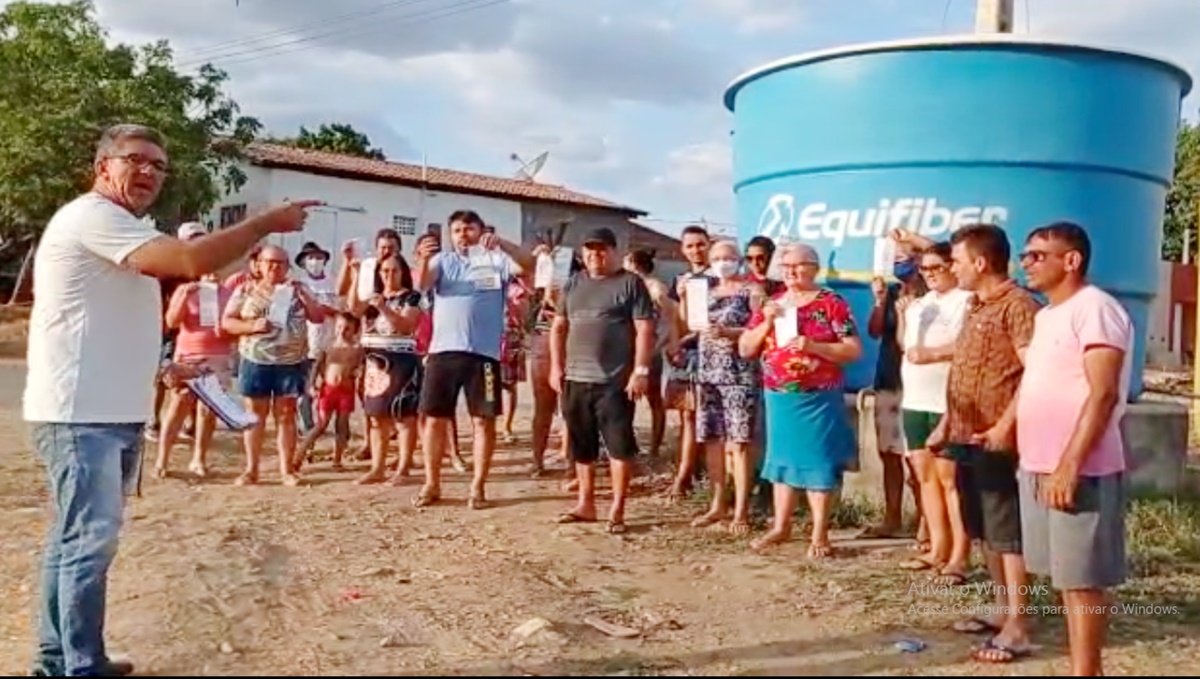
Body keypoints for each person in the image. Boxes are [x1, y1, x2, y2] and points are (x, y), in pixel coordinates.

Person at [24, 123, 316, 677]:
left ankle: (61, 659)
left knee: (73, 544)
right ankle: (76, 667)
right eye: (136, 160)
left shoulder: (123, 231)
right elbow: (190, 262)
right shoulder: (94, 216)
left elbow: (102, 325)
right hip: (81, 415)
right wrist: (264, 224)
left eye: (159, 166)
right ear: (102, 166)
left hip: (106, 410)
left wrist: (166, 367)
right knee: (86, 545)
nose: (150, 172)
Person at [1017, 222, 1132, 677]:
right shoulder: (1047, 316)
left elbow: (1102, 394)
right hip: (1039, 463)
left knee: (1083, 579)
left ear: (1071, 260)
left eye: (1037, 255)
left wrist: (1070, 465)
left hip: (1081, 467)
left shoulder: (1096, 309)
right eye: (1025, 255)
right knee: (1064, 576)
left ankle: (1087, 672)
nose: (1026, 262)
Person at [927, 223, 1040, 662]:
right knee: (987, 531)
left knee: (1007, 533)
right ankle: (1000, 608)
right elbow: (969, 370)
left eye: (955, 260)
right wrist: (945, 423)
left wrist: (1005, 427)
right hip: (967, 435)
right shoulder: (976, 305)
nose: (952, 268)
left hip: (998, 439)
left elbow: (1033, 374)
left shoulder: (1019, 307)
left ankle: (1018, 625)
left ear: (980, 262)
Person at [739, 244, 861, 558]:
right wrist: (765, 322)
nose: (791, 271)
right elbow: (745, 348)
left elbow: (852, 350)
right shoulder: (773, 303)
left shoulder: (832, 304)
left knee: (818, 463)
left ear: (814, 268)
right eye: (786, 265)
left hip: (818, 397)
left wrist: (814, 346)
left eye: (798, 265)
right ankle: (781, 526)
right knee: (782, 462)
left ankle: (820, 533)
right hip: (779, 396)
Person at [412, 209, 534, 509]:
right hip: (443, 352)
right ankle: (432, 483)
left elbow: (528, 265)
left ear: (481, 231)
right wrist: (424, 258)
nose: (463, 235)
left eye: (469, 229)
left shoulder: (493, 260)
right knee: (435, 420)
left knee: (484, 421)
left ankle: (478, 486)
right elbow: (423, 284)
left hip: (484, 355)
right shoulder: (444, 260)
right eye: (457, 230)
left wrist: (502, 243)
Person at [551, 228, 655, 534]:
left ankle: (618, 508)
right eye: (589, 250)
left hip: (614, 381)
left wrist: (641, 371)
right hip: (575, 377)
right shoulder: (574, 284)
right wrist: (556, 367)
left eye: (601, 250)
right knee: (582, 447)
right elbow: (558, 327)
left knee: (618, 447)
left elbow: (645, 330)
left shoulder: (630, 283)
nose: (595, 255)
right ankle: (586, 503)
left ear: (614, 252)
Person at [896, 242, 973, 585]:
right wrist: (901, 314)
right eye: (923, 270)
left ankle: (960, 554)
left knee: (950, 480)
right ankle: (937, 546)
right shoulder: (921, 305)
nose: (929, 275)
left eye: (936, 268)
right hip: (915, 397)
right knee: (924, 476)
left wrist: (933, 354)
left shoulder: (965, 301)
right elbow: (906, 344)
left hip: (946, 401)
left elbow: (968, 346)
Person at [222, 245, 327, 487]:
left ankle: (286, 470)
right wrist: (251, 327)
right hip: (255, 360)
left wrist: (305, 298)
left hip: (290, 362)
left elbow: (318, 317)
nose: (274, 267)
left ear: (288, 267)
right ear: (258, 264)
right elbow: (227, 322)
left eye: (281, 263)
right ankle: (251, 470)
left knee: (286, 415)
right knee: (254, 416)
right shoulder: (245, 289)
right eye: (270, 262)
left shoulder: (298, 289)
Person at [682, 241, 764, 535]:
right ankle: (718, 503)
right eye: (716, 258)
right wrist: (682, 299)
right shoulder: (707, 292)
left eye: (728, 257)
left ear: (739, 260)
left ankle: (741, 509)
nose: (722, 262)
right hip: (708, 374)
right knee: (712, 439)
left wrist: (730, 332)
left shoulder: (751, 292)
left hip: (738, 374)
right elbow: (689, 326)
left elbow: (761, 329)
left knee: (739, 443)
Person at [154, 223, 237, 479]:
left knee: (208, 410)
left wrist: (228, 330)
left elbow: (234, 325)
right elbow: (172, 322)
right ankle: (162, 459)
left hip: (218, 356)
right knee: (178, 405)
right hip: (188, 353)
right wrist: (185, 295)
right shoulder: (184, 289)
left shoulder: (229, 293)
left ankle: (199, 458)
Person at [863, 245, 927, 542]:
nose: (900, 265)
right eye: (895, 259)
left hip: (919, 383)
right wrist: (879, 301)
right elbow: (874, 331)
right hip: (888, 379)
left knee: (917, 456)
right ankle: (892, 517)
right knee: (888, 452)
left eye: (905, 259)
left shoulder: (932, 294)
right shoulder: (889, 292)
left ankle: (927, 522)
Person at [349, 253, 424, 485]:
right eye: (384, 271)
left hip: (400, 359)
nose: (389, 275)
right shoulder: (373, 298)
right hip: (374, 360)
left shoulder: (412, 297)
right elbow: (353, 309)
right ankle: (377, 467)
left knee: (403, 416)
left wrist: (385, 309)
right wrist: (356, 275)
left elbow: (405, 326)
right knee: (375, 417)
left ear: (403, 273)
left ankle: (403, 468)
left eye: (394, 271)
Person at [664, 225, 711, 501]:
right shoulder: (681, 279)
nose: (696, 250)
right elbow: (675, 319)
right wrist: (675, 344)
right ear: (683, 249)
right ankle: (685, 474)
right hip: (689, 353)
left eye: (700, 244)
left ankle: (697, 474)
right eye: (690, 245)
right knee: (688, 415)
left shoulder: (718, 277)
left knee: (710, 416)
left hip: (714, 350)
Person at [622, 248, 675, 459]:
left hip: (652, 350)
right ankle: (629, 446)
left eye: (626, 262)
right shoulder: (627, 287)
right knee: (626, 399)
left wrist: (661, 343)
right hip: (629, 349)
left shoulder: (656, 288)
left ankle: (654, 447)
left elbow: (670, 317)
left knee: (655, 401)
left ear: (635, 264)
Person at [294, 313, 363, 471]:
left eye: (347, 329)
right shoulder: (329, 345)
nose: (342, 331)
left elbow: (361, 366)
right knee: (321, 424)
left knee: (342, 425)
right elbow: (317, 365)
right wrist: (312, 384)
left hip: (346, 391)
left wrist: (357, 373)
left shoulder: (357, 349)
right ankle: (300, 454)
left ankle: (337, 459)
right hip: (328, 390)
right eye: (339, 327)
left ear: (355, 331)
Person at [294, 241, 339, 434]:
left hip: (331, 342)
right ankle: (307, 424)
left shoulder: (333, 282)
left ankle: (329, 421)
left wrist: (330, 311)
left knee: (332, 384)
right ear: (303, 262)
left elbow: (343, 309)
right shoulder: (299, 285)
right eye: (311, 257)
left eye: (319, 257)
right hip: (309, 343)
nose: (315, 261)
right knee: (307, 386)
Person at [500, 275, 532, 443]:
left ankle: (506, 426)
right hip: (487, 338)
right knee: (488, 385)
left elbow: (524, 317)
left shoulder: (518, 290)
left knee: (509, 385)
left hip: (510, 337)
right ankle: (491, 424)